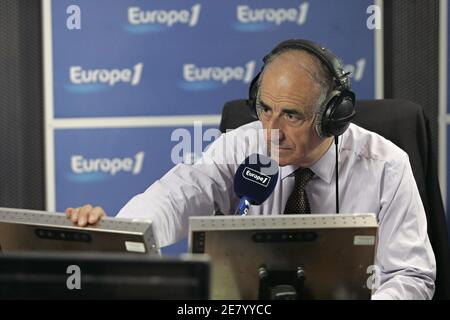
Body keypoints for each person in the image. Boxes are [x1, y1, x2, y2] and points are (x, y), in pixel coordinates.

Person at [66, 39, 436, 299]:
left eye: (291, 115)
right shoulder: (242, 144)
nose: (271, 131)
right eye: (264, 109)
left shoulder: (386, 166)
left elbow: (411, 275)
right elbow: (176, 196)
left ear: (332, 117)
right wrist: (116, 234)